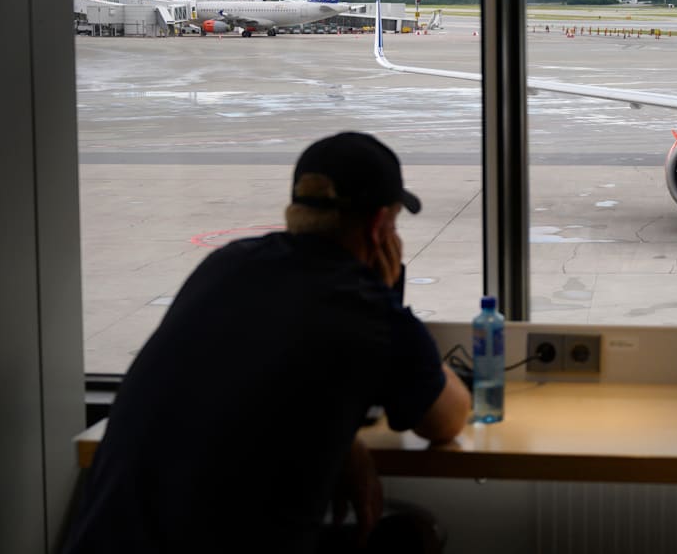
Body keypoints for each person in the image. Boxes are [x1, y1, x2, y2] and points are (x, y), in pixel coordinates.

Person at [65, 131, 472, 554]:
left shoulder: (225, 265)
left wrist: (344, 441)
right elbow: (447, 420)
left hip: (100, 540)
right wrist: (388, 301)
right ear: (378, 227)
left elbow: (239, 387)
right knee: (414, 536)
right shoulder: (366, 307)